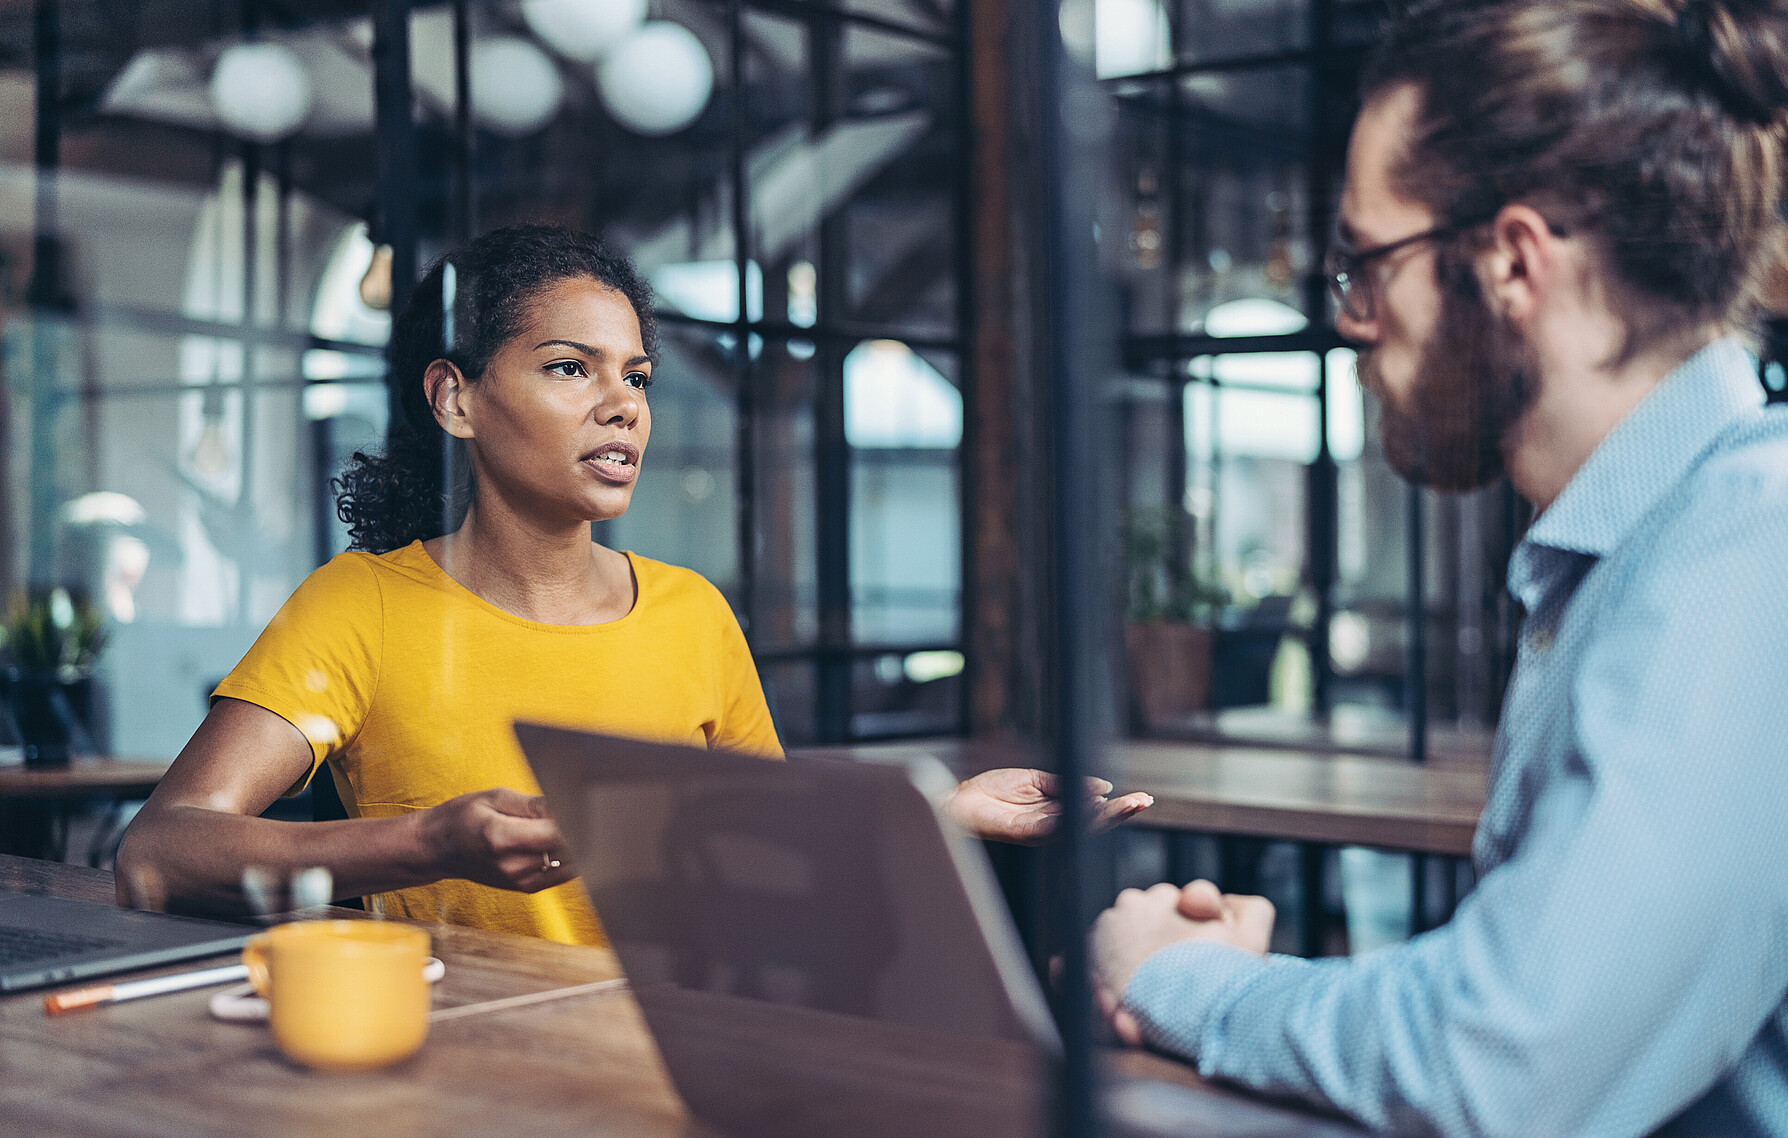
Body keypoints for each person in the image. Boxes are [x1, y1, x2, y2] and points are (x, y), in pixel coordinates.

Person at [1092, 0, 1788, 1133]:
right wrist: (1274, 990)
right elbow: (1534, 989)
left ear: (1514, 260)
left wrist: (1177, 977)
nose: (1355, 323)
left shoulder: (1755, 547)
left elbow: (1506, 1059)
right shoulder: (1629, 549)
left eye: (1370, 262)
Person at [117, 225, 1150, 943]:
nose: (624, 405)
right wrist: (428, 843)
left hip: (689, 1058)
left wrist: (941, 810)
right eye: (573, 368)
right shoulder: (362, 605)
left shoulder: (693, 612)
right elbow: (160, 852)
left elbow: (771, 842)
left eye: (639, 377)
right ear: (456, 398)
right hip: (457, 1068)